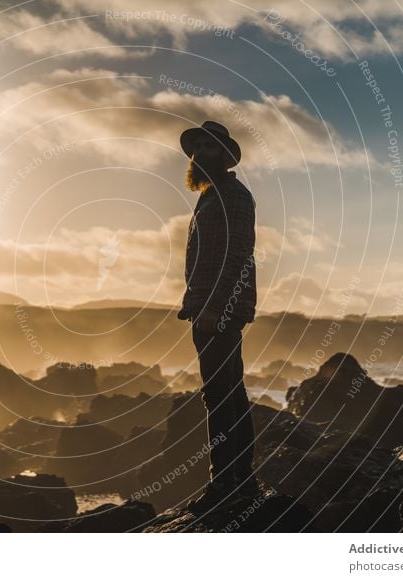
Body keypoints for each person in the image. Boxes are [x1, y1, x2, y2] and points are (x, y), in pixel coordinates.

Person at [176, 120, 260, 513]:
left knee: (221, 396)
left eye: (209, 148)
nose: (199, 155)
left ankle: (227, 484)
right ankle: (239, 480)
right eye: (197, 148)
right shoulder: (210, 195)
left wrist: (215, 307)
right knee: (228, 393)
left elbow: (238, 256)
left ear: (225, 157)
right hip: (205, 308)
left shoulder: (234, 196)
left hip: (219, 311)